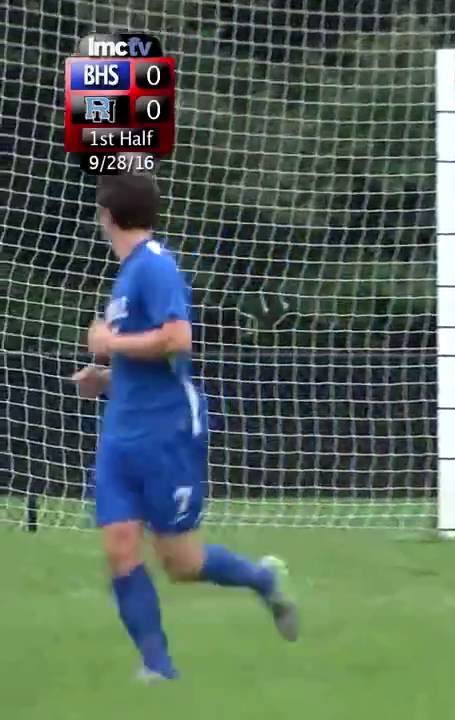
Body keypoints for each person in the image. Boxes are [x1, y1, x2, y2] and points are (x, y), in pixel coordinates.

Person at [72, 173, 299, 681]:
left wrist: (110, 344)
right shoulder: (128, 274)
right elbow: (146, 356)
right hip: (122, 434)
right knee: (119, 548)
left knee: (181, 563)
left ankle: (262, 579)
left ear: (107, 217)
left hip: (167, 432)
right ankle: (158, 666)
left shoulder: (156, 266)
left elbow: (178, 339)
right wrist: (105, 378)